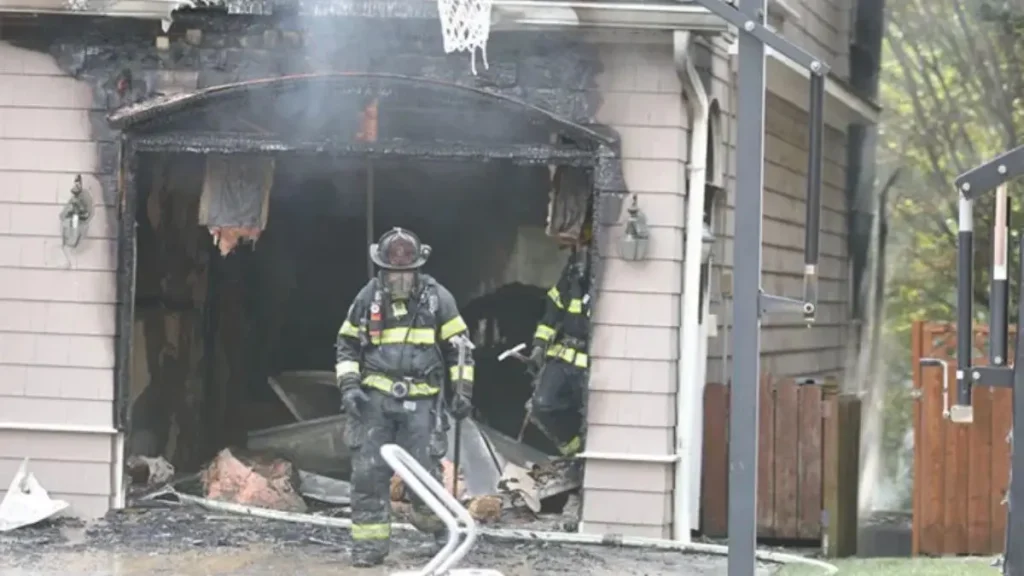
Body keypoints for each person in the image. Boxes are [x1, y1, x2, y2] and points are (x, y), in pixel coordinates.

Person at [335, 227, 475, 568]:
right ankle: (370, 548)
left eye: (405, 271)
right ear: (382, 268)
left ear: (417, 268)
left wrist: (462, 393)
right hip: (375, 400)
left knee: (425, 475)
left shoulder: (438, 298)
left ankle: (443, 536)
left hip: (422, 401)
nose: (399, 276)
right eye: (392, 270)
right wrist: (350, 386)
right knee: (368, 473)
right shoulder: (367, 298)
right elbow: (347, 344)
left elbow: (461, 351)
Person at [526, 227, 592, 457]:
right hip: (564, 360)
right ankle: (571, 451)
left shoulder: (609, 280)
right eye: (578, 248)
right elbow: (552, 313)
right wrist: (538, 345)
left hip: (592, 367)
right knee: (542, 405)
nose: (581, 252)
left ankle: (582, 454)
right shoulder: (572, 276)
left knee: (589, 416)